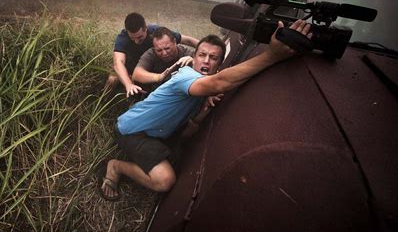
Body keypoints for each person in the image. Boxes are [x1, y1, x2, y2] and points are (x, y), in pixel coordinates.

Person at [97, 19, 311, 200]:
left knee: (175, 156)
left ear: (220, 64)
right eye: (202, 55)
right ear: (193, 56)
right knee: (165, 180)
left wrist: (205, 108)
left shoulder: (203, 87)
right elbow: (219, 83)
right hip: (131, 129)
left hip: (155, 134)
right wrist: (272, 55)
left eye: (213, 58)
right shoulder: (186, 76)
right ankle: (116, 167)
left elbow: (188, 131)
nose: (206, 61)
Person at [106, 12, 199, 97]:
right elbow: (118, 63)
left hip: (148, 66)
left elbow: (188, 40)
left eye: (139, 37)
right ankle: (103, 101)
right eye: (132, 38)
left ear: (146, 29)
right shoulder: (123, 38)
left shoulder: (157, 32)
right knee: (112, 80)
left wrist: (205, 50)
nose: (136, 41)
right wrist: (128, 84)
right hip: (128, 68)